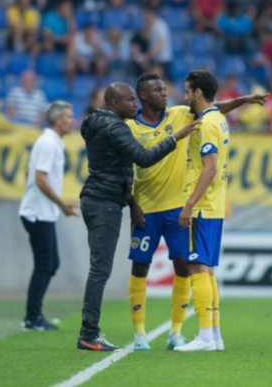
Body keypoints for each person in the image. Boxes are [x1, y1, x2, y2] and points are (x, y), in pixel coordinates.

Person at [125, 72, 267, 351]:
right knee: (145, 266)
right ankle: (143, 333)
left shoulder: (182, 115)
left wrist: (243, 100)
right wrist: (131, 201)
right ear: (144, 96)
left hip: (182, 206)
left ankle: (182, 333)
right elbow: (122, 167)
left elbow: (213, 109)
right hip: (146, 206)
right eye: (158, 90)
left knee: (190, 267)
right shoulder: (130, 127)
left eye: (167, 89)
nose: (167, 94)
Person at [77, 82, 200, 351]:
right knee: (100, 269)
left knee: (100, 267)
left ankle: (91, 332)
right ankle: (89, 333)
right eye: (130, 100)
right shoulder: (116, 127)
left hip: (99, 198)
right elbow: (143, 158)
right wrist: (175, 138)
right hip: (105, 201)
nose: (136, 105)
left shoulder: (94, 121)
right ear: (114, 104)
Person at [175, 70, 229, 352]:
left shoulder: (206, 123)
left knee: (196, 265)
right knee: (206, 268)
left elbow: (209, 167)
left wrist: (189, 204)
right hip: (215, 205)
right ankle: (215, 335)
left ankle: (205, 336)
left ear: (198, 92)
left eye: (187, 91)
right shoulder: (219, 118)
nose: (185, 97)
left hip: (203, 207)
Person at [19, 101, 79, 331]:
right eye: (68, 116)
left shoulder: (50, 142)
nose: (72, 120)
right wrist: (62, 204)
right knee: (46, 264)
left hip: (41, 211)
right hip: (37, 214)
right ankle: (32, 318)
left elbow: (29, 172)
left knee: (50, 263)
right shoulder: (48, 143)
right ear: (57, 120)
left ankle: (33, 315)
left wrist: (33, 195)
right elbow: (40, 178)